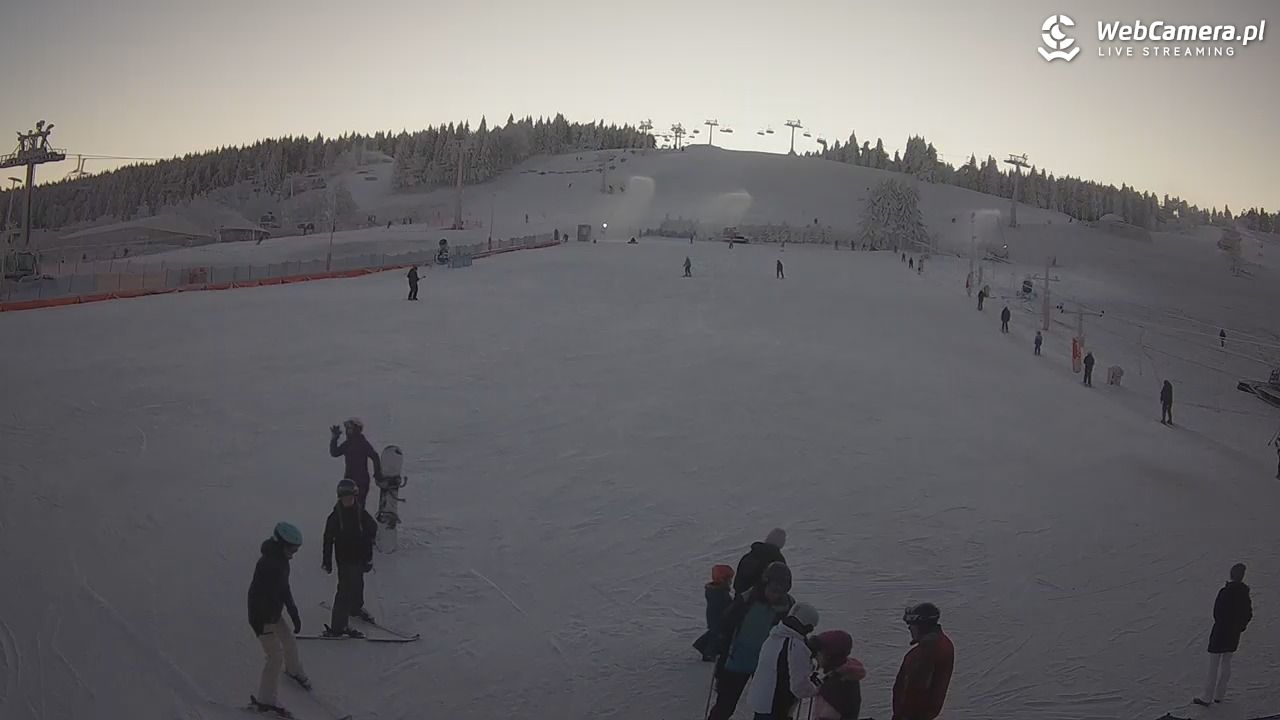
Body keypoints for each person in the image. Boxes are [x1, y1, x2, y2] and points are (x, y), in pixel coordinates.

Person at [708, 563, 795, 720]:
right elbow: (726, 624)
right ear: (765, 583)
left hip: (766, 666)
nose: (775, 595)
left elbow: (794, 635)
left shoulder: (788, 606)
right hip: (737, 661)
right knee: (725, 706)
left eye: (780, 591)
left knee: (765, 708)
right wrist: (721, 646)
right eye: (773, 589)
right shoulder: (746, 600)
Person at [247, 522, 308, 715]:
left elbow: (284, 589)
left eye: (296, 549)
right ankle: (265, 701)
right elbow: (268, 595)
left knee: (289, 641)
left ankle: (293, 670)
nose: (294, 553)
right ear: (281, 544)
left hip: (273, 612)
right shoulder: (268, 564)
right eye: (292, 548)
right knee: (275, 656)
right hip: (262, 617)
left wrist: (293, 612)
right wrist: (269, 623)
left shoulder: (281, 560)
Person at [322, 479, 378, 637]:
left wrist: (368, 554)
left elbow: (372, 527)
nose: (348, 501)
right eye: (345, 498)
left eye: (350, 497)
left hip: (359, 557)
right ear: (340, 498)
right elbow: (327, 539)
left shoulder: (360, 512)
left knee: (358, 583)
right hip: (345, 559)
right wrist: (327, 560)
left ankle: (355, 608)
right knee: (344, 590)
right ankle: (339, 626)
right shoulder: (335, 517)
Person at [747, 602, 821, 719]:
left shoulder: (775, 634)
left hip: (762, 699)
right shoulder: (795, 645)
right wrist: (817, 689)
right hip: (776, 705)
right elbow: (798, 687)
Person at [1194, 563, 1253, 706]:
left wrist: (1224, 625)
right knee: (1226, 662)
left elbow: (1217, 613)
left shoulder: (1225, 592)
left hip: (1220, 632)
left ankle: (1207, 697)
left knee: (1213, 665)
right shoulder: (1244, 594)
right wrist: (1239, 628)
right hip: (1233, 634)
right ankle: (1220, 694)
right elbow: (1248, 614)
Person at [892, 603, 954, 720]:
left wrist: (903, 715)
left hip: (913, 715)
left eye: (912, 624)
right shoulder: (942, 643)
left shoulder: (928, 649)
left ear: (922, 625)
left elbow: (916, 687)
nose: (909, 628)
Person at [811, 630, 866, 720]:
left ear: (831, 656)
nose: (816, 656)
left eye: (819, 652)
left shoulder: (834, 686)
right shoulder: (846, 676)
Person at [329, 418, 382, 510]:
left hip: (361, 481)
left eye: (350, 428)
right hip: (349, 480)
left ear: (357, 429)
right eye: (347, 429)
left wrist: (377, 473)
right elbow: (335, 453)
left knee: (359, 507)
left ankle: (359, 523)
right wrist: (334, 438)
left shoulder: (362, 443)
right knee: (345, 507)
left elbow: (374, 456)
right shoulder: (348, 443)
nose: (348, 431)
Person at [693, 564, 734, 661]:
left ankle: (701, 645)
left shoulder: (718, 591)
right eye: (729, 579)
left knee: (714, 633)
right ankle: (708, 653)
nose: (731, 582)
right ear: (722, 580)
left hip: (717, 618)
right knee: (716, 635)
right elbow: (723, 606)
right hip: (717, 619)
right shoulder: (719, 594)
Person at [734, 529, 787, 597]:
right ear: (781, 543)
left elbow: (737, 583)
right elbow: (781, 585)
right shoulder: (778, 561)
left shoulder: (748, 556)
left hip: (740, 600)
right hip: (763, 602)